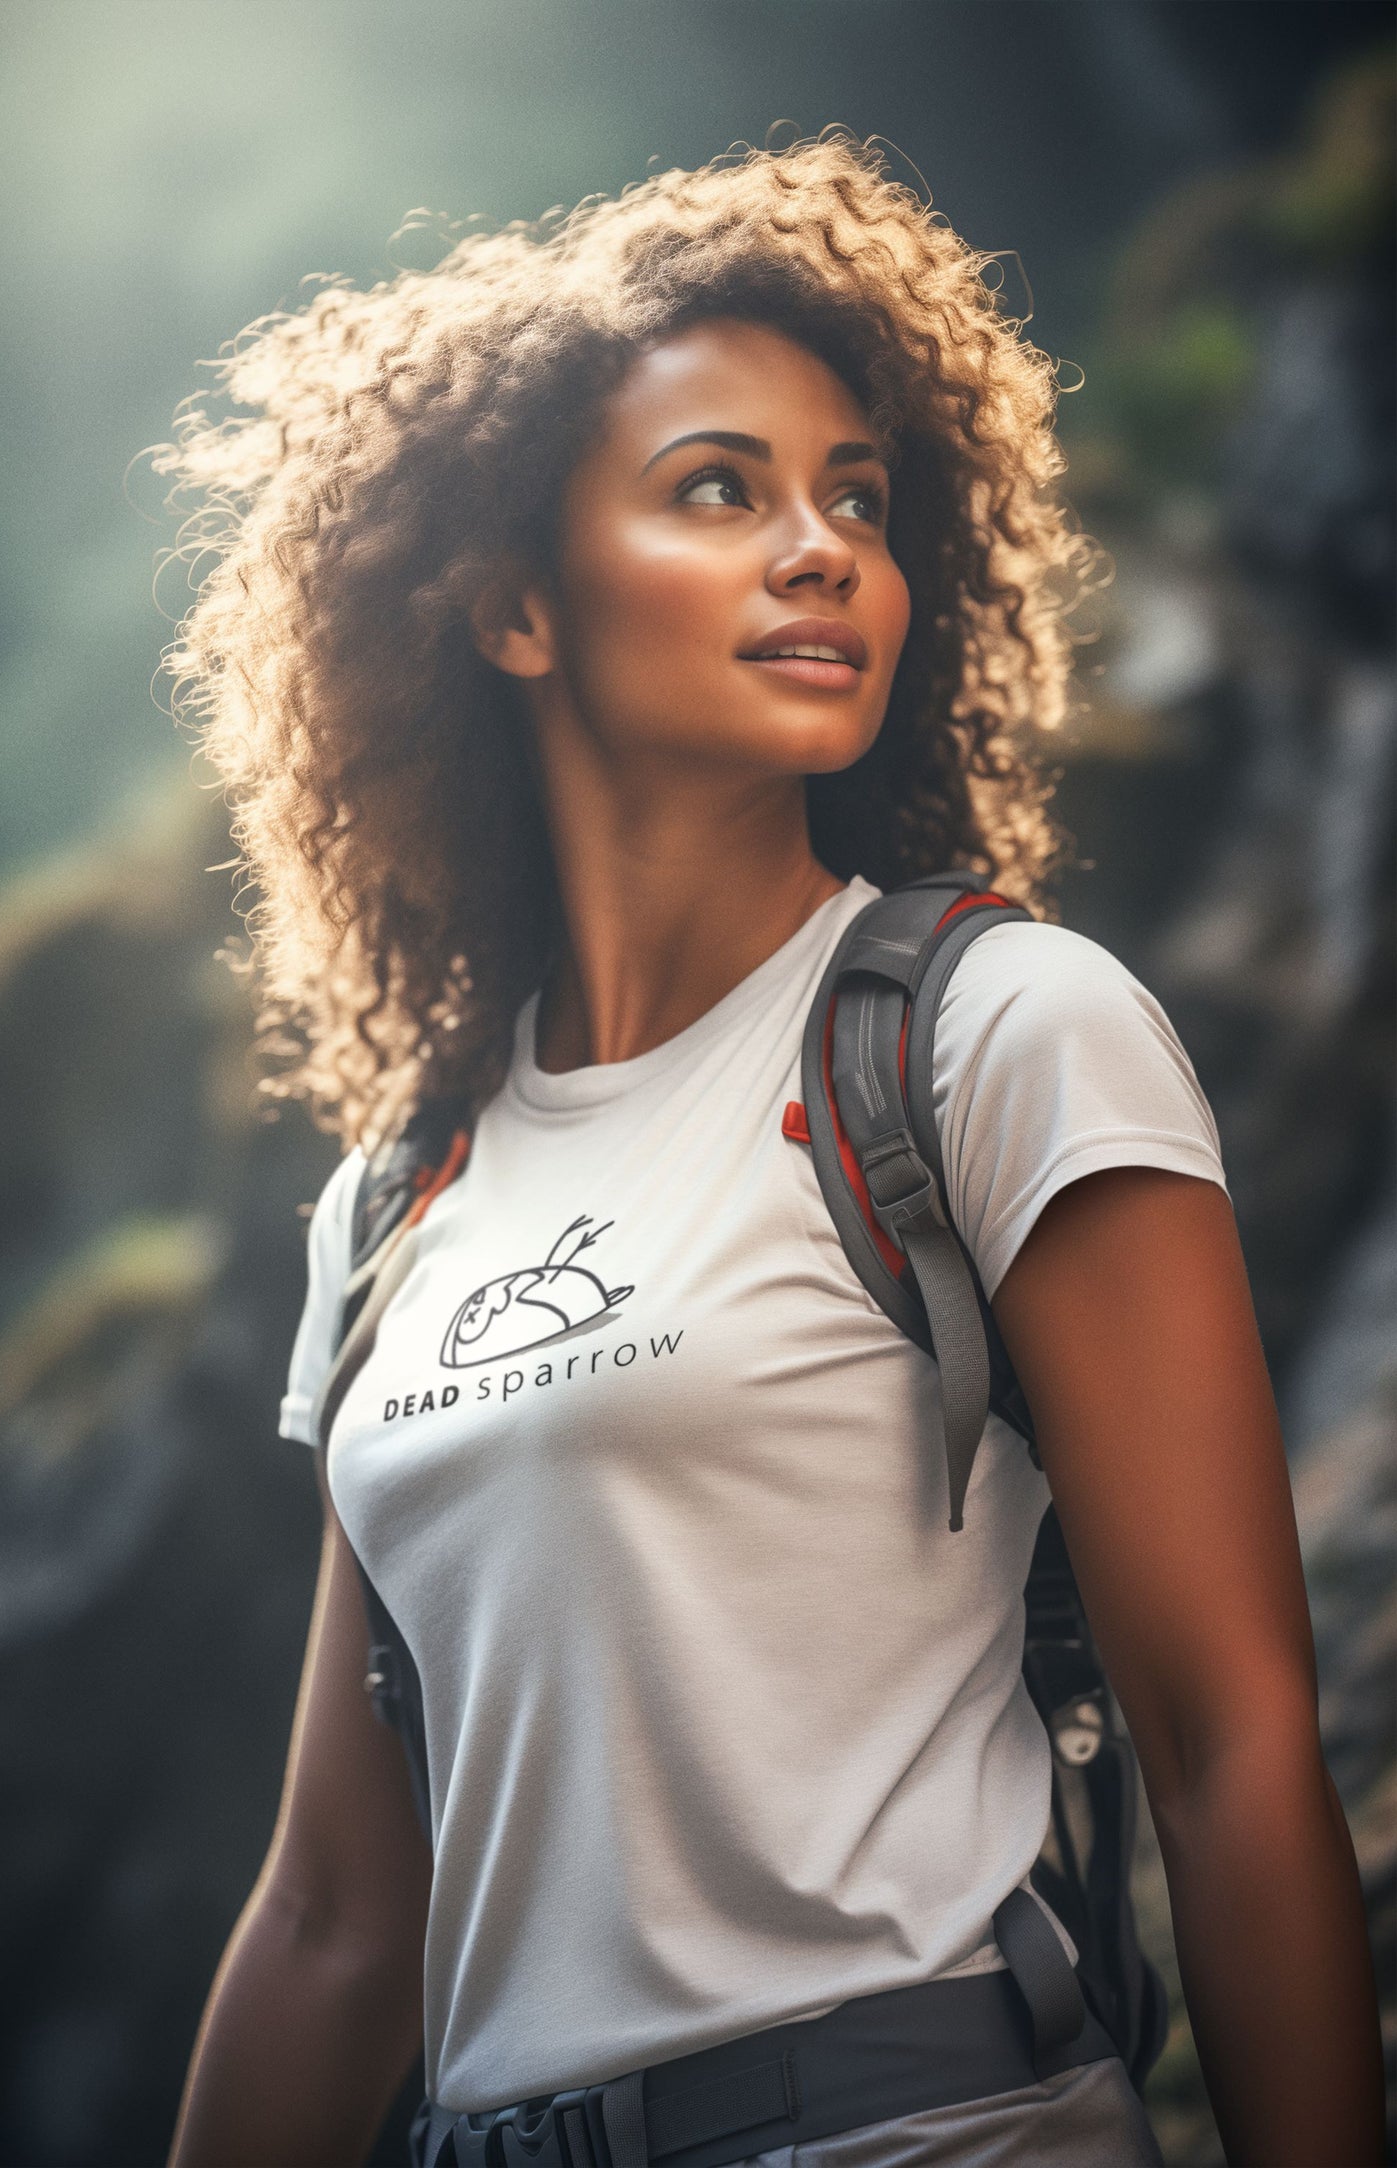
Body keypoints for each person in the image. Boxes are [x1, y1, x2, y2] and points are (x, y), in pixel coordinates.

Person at [161, 137, 1384, 2168]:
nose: (822, 549)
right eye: (719, 489)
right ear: (512, 609)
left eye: (863, 502)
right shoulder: (398, 1206)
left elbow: (1233, 1739)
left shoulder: (996, 1032)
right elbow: (334, 1917)